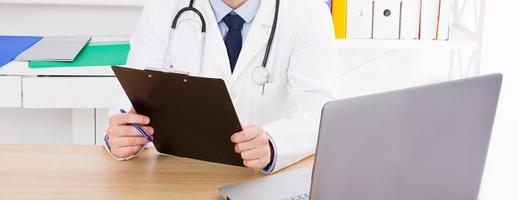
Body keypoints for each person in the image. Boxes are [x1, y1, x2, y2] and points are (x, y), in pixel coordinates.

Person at [104, 0, 341, 174]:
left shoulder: (307, 11)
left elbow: (320, 114)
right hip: (183, 177)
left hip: (266, 181)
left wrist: (272, 142)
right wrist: (122, 137)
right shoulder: (165, 8)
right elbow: (130, 102)